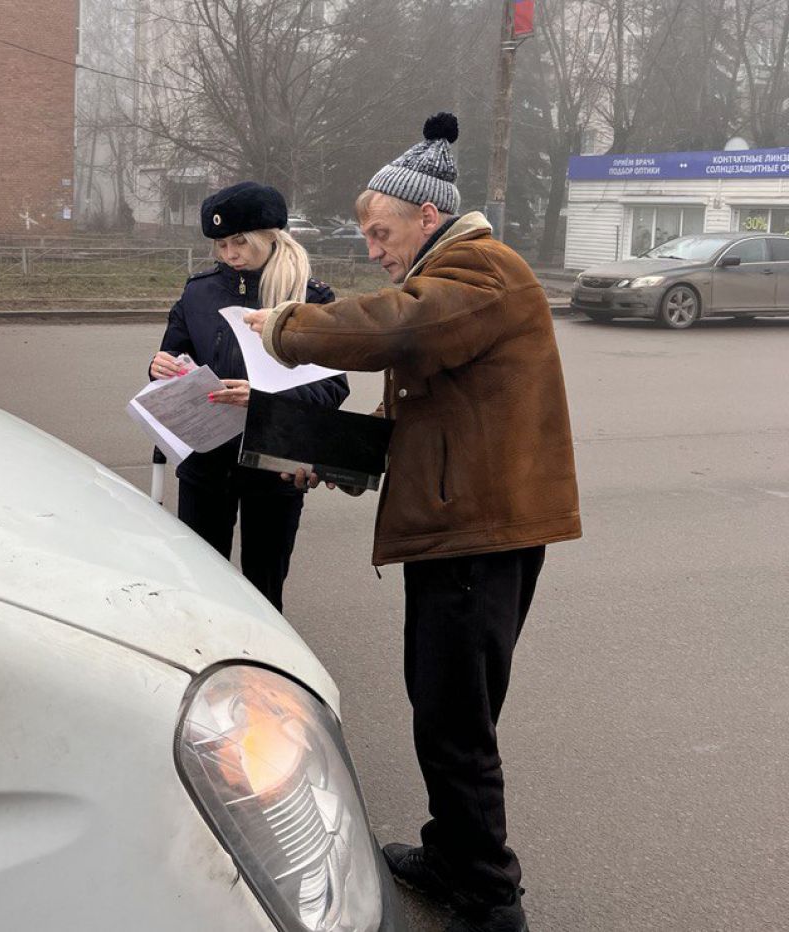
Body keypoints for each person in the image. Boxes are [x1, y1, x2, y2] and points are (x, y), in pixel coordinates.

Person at [244, 114, 581, 932]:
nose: (372, 248)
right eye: (366, 234)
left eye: (380, 231)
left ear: (426, 217)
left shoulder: (478, 270)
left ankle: (490, 896)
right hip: (460, 526)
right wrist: (338, 457)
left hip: (476, 534)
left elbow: (399, 327)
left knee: (456, 719)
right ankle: (451, 852)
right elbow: (437, 414)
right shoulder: (460, 277)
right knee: (442, 707)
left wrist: (287, 327)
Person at [149, 181, 348, 612]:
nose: (229, 254)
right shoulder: (198, 291)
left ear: (270, 237)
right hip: (205, 458)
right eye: (221, 244)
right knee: (202, 581)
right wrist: (160, 367)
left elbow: (333, 387)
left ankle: (263, 668)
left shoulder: (310, 298)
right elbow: (176, 352)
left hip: (275, 464)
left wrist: (262, 397)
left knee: (265, 583)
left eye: (240, 241)